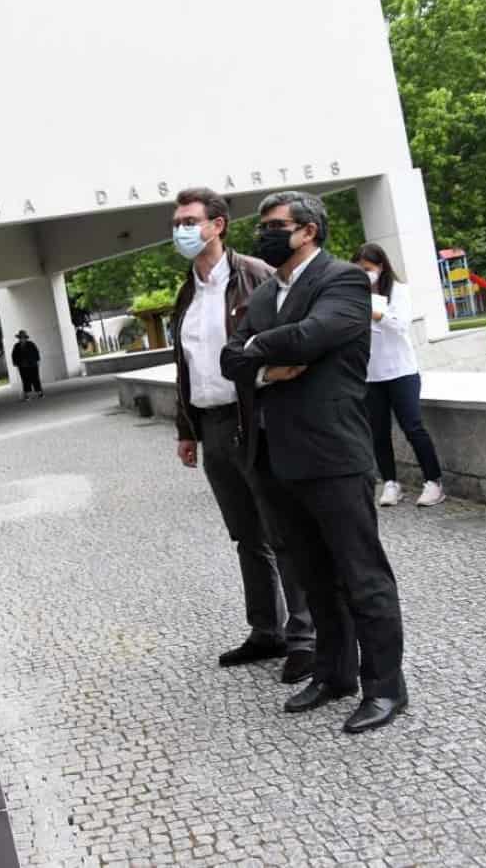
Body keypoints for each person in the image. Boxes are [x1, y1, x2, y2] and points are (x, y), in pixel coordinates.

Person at [220, 191, 408, 734]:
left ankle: (386, 687)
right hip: (275, 456)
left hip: (331, 452)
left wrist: (256, 348)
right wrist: (264, 364)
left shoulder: (345, 279)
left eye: (274, 226)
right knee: (312, 575)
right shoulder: (265, 295)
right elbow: (229, 358)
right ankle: (334, 674)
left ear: (308, 231)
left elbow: (316, 334)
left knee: (361, 575)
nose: (263, 235)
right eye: (261, 227)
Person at [169, 188, 314, 683]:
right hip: (211, 426)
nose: (180, 230)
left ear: (218, 224)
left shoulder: (256, 275)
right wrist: (186, 429)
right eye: (177, 221)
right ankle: (266, 631)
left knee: (282, 531)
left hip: (254, 418)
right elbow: (184, 366)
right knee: (246, 536)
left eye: (189, 220)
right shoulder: (186, 292)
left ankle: (305, 638)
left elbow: (288, 341)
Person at [356, 243, 446, 508]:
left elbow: (400, 325)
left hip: (401, 371)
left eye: (368, 269)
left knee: (413, 427)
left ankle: (433, 481)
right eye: (359, 270)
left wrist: (374, 313)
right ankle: (391, 483)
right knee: (379, 432)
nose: (365, 274)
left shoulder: (399, 291)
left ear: (381, 266)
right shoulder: (354, 293)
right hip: (371, 375)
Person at [11, 331, 44, 399]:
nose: (22, 339)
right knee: (25, 380)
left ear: (26, 338)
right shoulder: (16, 346)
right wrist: (15, 363)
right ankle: (27, 394)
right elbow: (14, 355)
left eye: (23, 338)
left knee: (35, 378)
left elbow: (36, 352)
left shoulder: (31, 344)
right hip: (22, 366)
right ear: (19, 338)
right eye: (20, 338)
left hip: (32, 365)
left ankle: (39, 392)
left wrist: (37, 360)